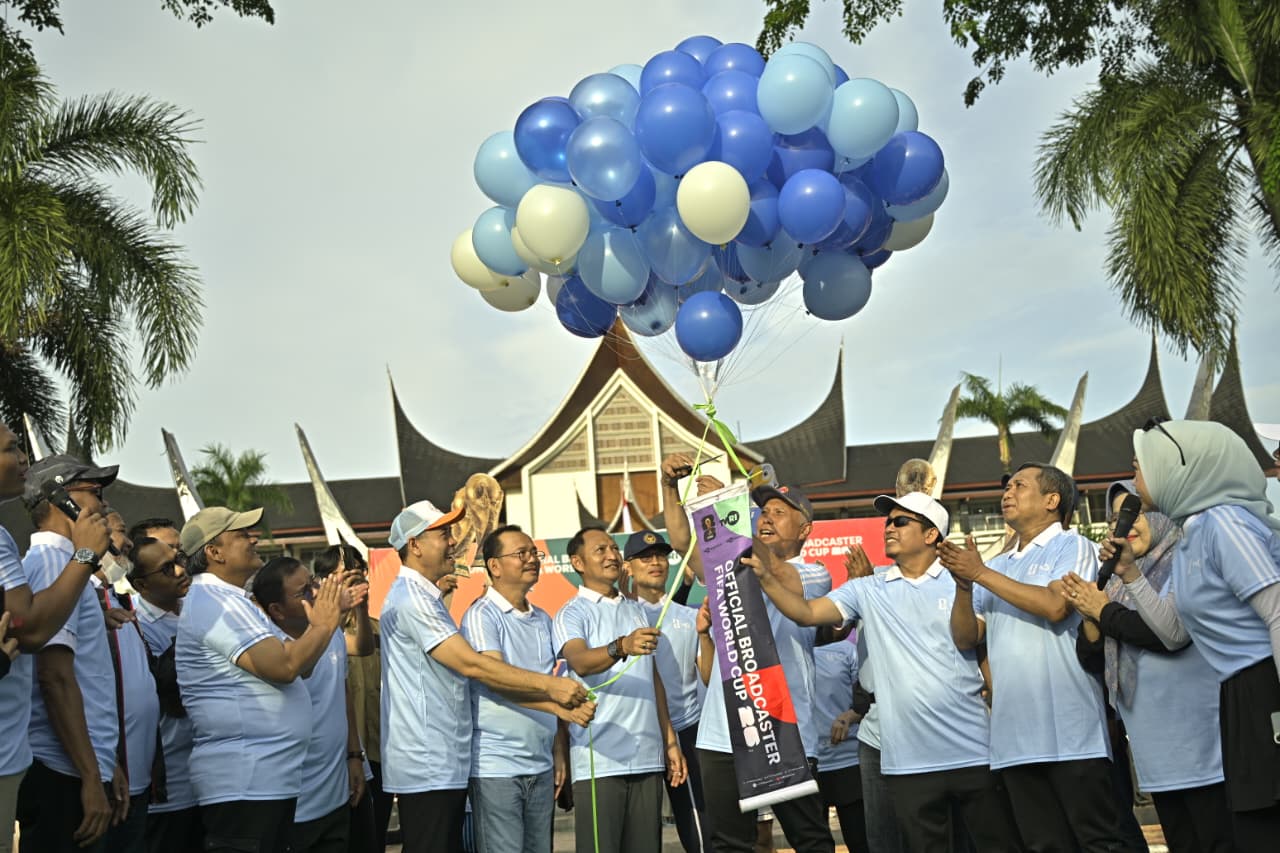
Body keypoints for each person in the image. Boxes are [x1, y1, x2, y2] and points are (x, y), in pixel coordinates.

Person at [750, 492, 1020, 853]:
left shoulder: (964, 580)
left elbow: (969, 637)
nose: (888, 527)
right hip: (906, 762)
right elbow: (806, 613)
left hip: (972, 751)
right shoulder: (867, 588)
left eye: (900, 521)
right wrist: (767, 579)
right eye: (887, 521)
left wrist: (963, 587)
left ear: (930, 535)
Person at [379, 500, 592, 853]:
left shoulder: (426, 597)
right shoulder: (412, 599)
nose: (453, 542)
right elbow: (475, 667)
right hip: (429, 759)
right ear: (414, 545)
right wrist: (553, 690)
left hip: (447, 757)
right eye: (443, 534)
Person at [1115, 419, 1280, 850]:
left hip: (1265, 684)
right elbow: (1172, 632)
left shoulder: (1223, 522)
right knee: (1254, 827)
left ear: (1179, 467)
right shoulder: (1192, 534)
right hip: (1237, 695)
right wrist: (1131, 574)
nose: (1135, 480)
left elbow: (1277, 612)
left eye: (1141, 467)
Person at [942, 462, 1122, 852]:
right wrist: (963, 586)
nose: (1008, 494)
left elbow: (1057, 605)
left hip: (1071, 732)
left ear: (1051, 500)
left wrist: (980, 574)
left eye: (1020, 486)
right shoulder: (998, 566)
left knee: (1098, 842)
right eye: (1007, 488)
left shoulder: (1072, 546)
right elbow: (966, 636)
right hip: (1013, 738)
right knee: (1044, 845)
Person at [661, 453, 835, 853]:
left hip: (784, 726)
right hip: (723, 730)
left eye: (780, 512)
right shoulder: (729, 559)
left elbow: (774, 571)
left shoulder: (813, 570)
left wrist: (729, 512)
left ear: (805, 528)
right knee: (728, 845)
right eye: (763, 511)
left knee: (809, 840)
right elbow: (683, 543)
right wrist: (670, 488)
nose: (767, 518)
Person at [1061, 479, 1233, 853]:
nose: (1125, 524)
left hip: (1204, 745)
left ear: (1160, 516)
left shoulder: (1184, 561)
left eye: (1136, 512)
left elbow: (1165, 635)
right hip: (1156, 752)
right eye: (1116, 518)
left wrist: (1102, 609)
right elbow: (1092, 656)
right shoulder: (1119, 582)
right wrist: (1093, 608)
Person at [177, 506, 355, 853]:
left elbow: (299, 665)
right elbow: (285, 667)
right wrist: (323, 623)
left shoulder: (232, 599)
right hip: (246, 782)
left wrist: (321, 626)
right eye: (241, 535)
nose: (253, 538)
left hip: (264, 781)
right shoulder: (216, 602)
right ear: (214, 552)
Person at [0, 428, 111, 853]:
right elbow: (32, 636)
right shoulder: (51, 559)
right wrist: (84, 556)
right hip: (50, 769)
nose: (102, 502)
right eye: (12, 449)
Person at [551, 525, 687, 853]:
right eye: (601, 550)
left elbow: (652, 677)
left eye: (614, 548)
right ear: (577, 562)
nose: (612, 555)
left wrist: (670, 741)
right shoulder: (572, 612)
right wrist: (622, 646)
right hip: (601, 758)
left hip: (646, 755)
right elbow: (580, 661)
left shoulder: (634, 609)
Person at [461, 524, 565, 853]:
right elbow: (496, 677)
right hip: (497, 766)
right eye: (521, 553)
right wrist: (557, 701)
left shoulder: (544, 619)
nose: (531, 559)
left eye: (534, 553)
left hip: (541, 763)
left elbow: (551, 686)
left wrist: (558, 750)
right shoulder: (482, 615)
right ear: (494, 566)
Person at [256, 556, 368, 853]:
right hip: (294, 803)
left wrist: (354, 755)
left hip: (335, 794)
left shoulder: (331, 633)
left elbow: (342, 693)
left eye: (314, 584)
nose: (316, 595)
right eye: (303, 592)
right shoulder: (267, 649)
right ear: (276, 610)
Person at [623, 529, 712, 853]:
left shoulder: (688, 617)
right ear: (627, 567)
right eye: (645, 558)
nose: (655, 562)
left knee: (699, 833)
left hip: (686, 731)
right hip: (637, 735)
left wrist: (705, 636)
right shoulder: (619, 615)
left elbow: (707, 676)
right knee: (640, 837)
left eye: (660, 555)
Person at [129, 533, 201, 853]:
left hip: (210, 781)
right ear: (140, 585)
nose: (179, 571)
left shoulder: (200, 608)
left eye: (178, 561)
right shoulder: (134, 627)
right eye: (166, 569)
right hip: (169, 785)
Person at [94, 508, 160, 853]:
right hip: (106, 778)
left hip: (137, 779)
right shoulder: (83, 599)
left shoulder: (116, 598)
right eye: (121, 532)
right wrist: (105, 766)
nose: (129, 543)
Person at [313, 544, 383, 853]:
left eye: (359, 571)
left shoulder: (377, 626)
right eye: (345, 573)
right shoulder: (315, 628)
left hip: (377, 749)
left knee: (373, 837)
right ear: (323, 580)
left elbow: (365, 646)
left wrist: (360, 608)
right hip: (338, 756)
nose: (354, 579)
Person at [811, 637, 867, 853]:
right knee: (813, 844)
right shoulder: (786, 648)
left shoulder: (847, 650)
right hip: (807, 765)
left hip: (848, 761)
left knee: (860, 841)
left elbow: (867, 700)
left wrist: (849, 716)